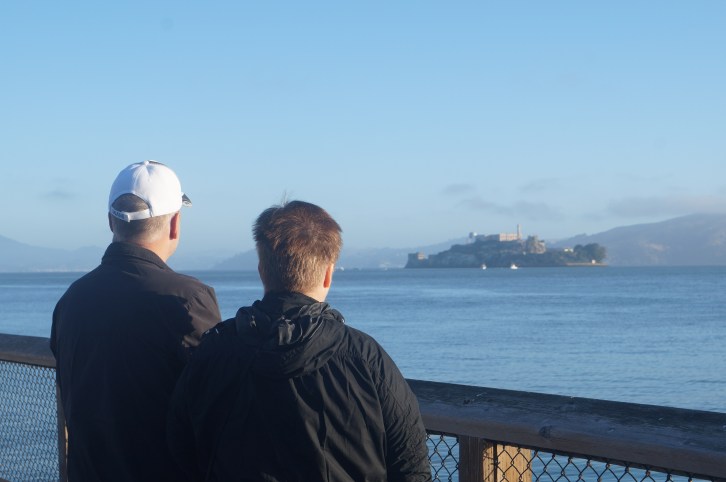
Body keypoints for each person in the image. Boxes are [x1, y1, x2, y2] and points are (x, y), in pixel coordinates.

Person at [167, 200, 432, 482]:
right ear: (328, 274)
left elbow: (180, 450)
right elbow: (412, 466)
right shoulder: (365, 358)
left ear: (261, 269)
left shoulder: (213, 352)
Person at [51, 160, 222, 482]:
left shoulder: (71, 300)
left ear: (110, 222)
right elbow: (217, 403)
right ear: (175, 224)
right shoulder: (188, 299)